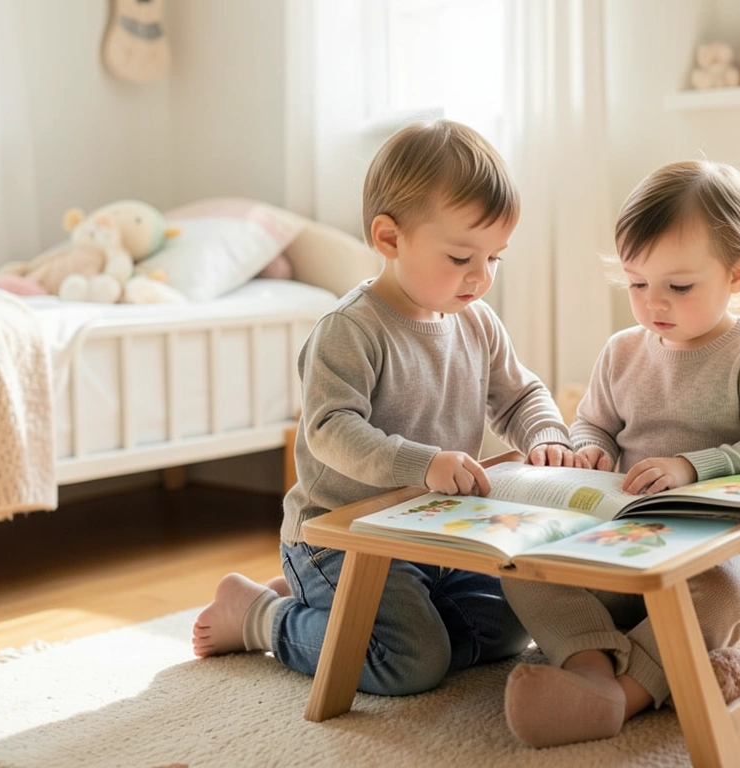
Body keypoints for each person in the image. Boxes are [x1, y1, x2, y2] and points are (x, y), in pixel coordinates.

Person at [191, 119, 575, 697]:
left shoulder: (476, 321)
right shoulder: (351, 329)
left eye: (495, 258)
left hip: (435, 536)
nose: (481, 276)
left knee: (512, 627)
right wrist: (421, 464)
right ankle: (259, 616)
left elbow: (520, 394)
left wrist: (548, 433)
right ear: (390, 239)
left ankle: (343, 618)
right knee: (409, 663)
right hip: (344, 539)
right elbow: (330, 430)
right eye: (461, 256)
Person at [501, 159, 740, 747]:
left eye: (678, 286)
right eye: (637, 283)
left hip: (715, 554)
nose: (653, 303)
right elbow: (594, 423)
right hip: (623, 545)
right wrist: (587, 450)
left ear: (737, 276)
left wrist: (693, 466)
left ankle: (622, 696)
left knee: (726, 595)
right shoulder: (621, 353)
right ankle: (587, 664)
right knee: (520, 565)